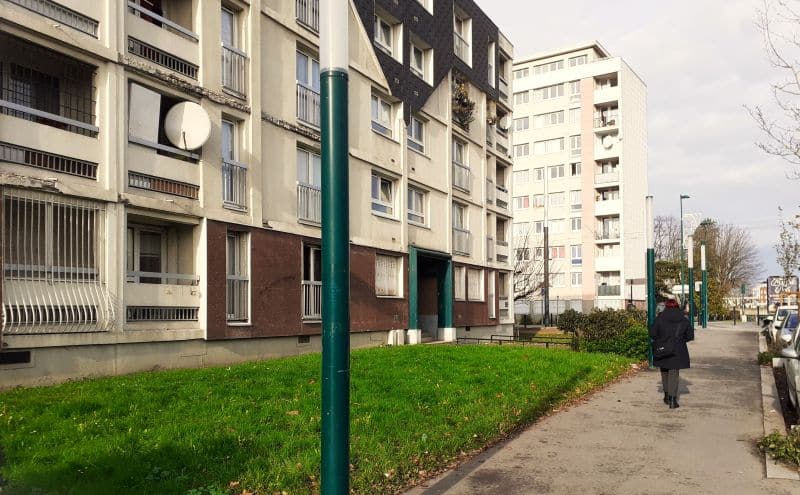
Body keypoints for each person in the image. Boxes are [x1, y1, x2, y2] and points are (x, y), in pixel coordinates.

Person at [649, 298, 694, 408]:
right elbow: (690, 336)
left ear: (666, 306)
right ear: (677, 306)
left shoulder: (660, 318)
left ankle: (666, 396)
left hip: (662, 348)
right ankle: (673, 400)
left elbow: (652, 333)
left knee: (664, 372)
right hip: (678, 350)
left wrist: (662, 339)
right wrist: (680, 341)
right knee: (674, 372)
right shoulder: (684, 319)